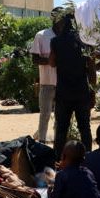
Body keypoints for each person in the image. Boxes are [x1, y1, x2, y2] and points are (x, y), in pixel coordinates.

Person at [48, 11, 98, 158]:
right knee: (85, 129)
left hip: (63, 92)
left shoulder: (56, 41)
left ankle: (58, 160)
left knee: (61, 129)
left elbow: (51, 63)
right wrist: (92, 93)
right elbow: (92, 70)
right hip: (82, 92)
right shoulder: (86, 41)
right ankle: (87, 158)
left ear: (63, 24)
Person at [30, 8, 63, 143]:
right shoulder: (42, 35)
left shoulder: (68, 37)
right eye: (60, 17)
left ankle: (58, 143)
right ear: (54, 18)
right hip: (47, 82)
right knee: (45, 115)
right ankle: (42, 142)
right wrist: (52, 61)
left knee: (61, 116)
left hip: (63, 83)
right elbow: (35, 59)